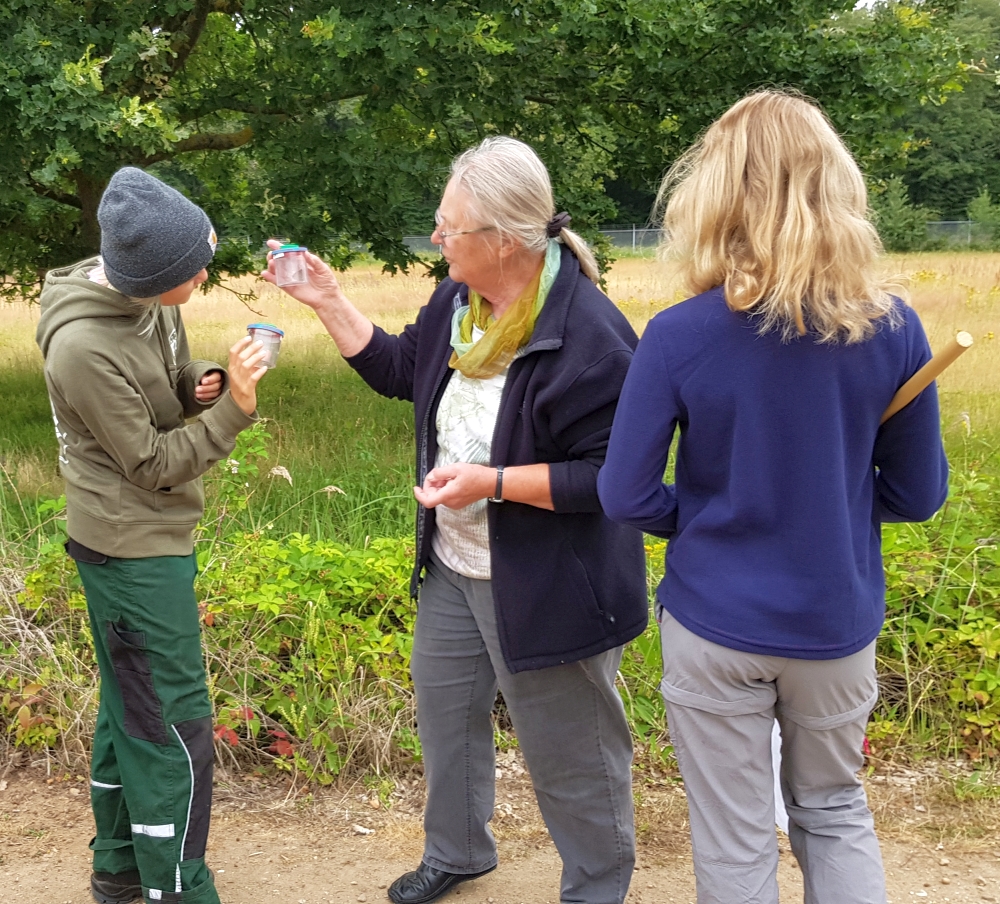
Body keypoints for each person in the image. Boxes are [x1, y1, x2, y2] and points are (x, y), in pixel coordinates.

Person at [262, 136, 647, 904]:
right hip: (453, 565)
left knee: (571, 750)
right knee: (446, 725)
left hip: (550, 583)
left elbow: (614, 480)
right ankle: (460, 851)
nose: (437, 239)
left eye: (450, 227)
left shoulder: (591, 337)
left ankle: (598, 886)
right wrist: (328, 302)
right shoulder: (458, 304)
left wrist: (493, 482)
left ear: (503, 239)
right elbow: (403, 369)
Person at [597, 90, 949, 904]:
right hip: (834, 624)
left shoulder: (680, 335)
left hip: (716, 623)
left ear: (715, 193)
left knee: (735, 838)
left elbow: (625, 492)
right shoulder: (891, 328)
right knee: (832, 810)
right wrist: (834, 499)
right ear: (835, 186)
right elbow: (919, 494)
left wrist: (703, 519)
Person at [36, 167, 268, 904]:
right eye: (194, 266)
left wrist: (199, 381)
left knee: (127, 704)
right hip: (131, 546)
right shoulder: (80, 347)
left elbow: (165, 376)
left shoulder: (146, 298)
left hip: (144, 538)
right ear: (150, 274)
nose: (206, 269)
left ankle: (120, 869)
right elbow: (152, 463)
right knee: (172, 719)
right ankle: (180, 888)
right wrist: (235, 409)